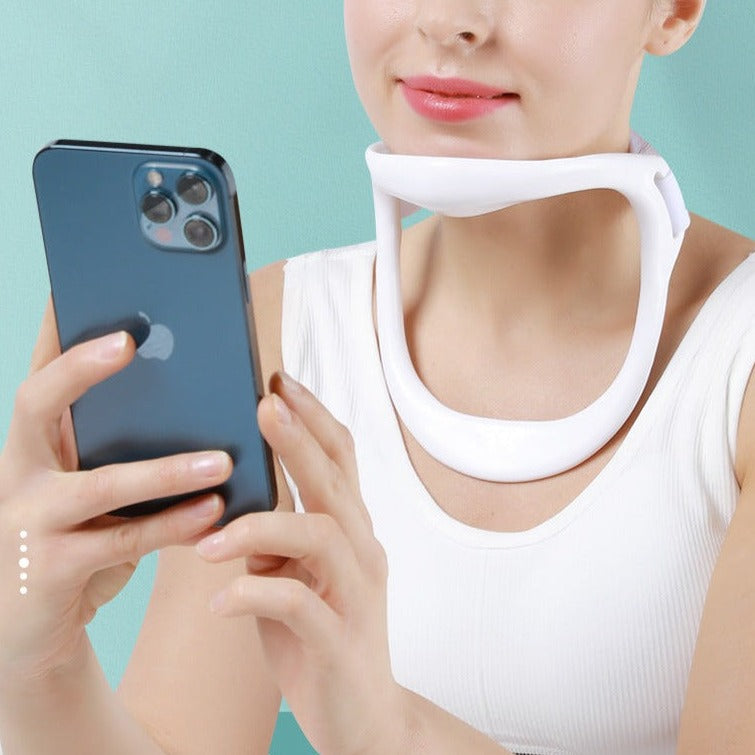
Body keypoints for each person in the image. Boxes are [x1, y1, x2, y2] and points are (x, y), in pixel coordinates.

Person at [1, 1, 753, 753]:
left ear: (674, 11)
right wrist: (38, 668)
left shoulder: (734, 362)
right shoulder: (277, 336)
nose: (449, 19)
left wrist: (391, 730)